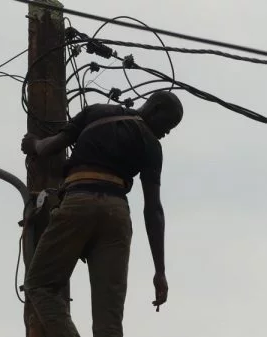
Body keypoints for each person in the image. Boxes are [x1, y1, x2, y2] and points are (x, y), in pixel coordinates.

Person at [21, 91, 184, 337]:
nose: (167, 132)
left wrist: (32, 144)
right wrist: (159, 270)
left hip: (79, 202)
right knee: (109, 322)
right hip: (116, 217)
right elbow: (153, 209)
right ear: (155, 108)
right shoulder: (151, 145)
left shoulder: (97, 112)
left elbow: (48, 147)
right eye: (168, 124)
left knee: (40, 285)